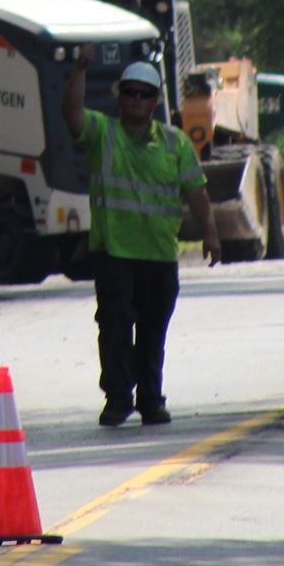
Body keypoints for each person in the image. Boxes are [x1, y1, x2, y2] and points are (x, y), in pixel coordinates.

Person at [60, 59, 215, 428]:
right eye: (129, 93)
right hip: (113, 251)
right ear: (119, 98)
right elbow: (72, 114)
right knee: (115, 326)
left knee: (152, 330)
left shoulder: (175, 143)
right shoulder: (103, 133)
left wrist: (210, 232)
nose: (136, 99)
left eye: (144, 95)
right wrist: (80, 69)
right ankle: (117, 398)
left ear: (155, 101)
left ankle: (150, 399)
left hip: (159, 254)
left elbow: (196, 191)